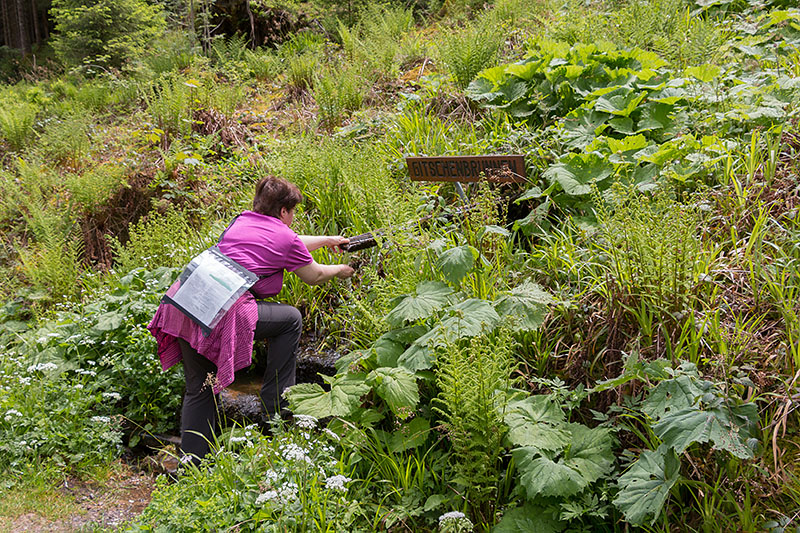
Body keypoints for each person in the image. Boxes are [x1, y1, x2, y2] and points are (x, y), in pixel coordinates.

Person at [147, 175, 354, 464]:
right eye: (292, 212)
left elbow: (288, 242)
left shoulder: (242, 221)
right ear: (283, 211)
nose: (293, 218)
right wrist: (340, 270)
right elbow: (314, 274)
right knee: (291, 319)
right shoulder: (284, 236)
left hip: (186, 300)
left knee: (200, 386)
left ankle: (192, 465)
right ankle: (277, 412)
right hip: (220, 309)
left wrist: (328, 241)